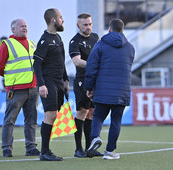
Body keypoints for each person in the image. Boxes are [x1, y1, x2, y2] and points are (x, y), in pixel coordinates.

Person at [85, 18, 135, 159]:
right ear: (122, 30)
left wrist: (89, 87)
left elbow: (91, 67)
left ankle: (95, 137)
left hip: (103, 88)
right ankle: (110, 151)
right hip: (122, 90)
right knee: (116, 120)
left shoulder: (100, 44)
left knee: (98, 115)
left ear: (110, 29)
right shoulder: (130, 47)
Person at [0, 19, 40, 157]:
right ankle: (7, 148)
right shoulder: (7, 44)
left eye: (26, 26)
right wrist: (10, 78)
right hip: (16, 89)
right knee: (10, 120)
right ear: (13, 29)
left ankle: (31, 147)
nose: (24, 28)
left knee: (31, 120)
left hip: (33, 88)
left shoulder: (32, 44)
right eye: (21, 26)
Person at [33, 8, 69, 161]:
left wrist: (66, 80)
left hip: (59, 82)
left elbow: (61, 62)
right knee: (51, 114)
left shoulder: (58, 38)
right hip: (48, 82)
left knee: (53, 115)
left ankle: (45, 151)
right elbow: (36, 64)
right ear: (54, 20)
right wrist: (41, 84)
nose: (63, 20)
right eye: (61, 17)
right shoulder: (45, 39)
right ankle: (45, 152)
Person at [69, 13, 103, 157]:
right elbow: (77, 61)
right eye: (85, 24)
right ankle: (78, 149)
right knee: (82, 112)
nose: (88, 27)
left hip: (96, 80)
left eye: (89, 24)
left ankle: (90, 148)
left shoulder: (96, 37)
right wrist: (94, 65)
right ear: (78, 25)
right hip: (82, 80)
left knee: (91, 113)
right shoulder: (74, 41)